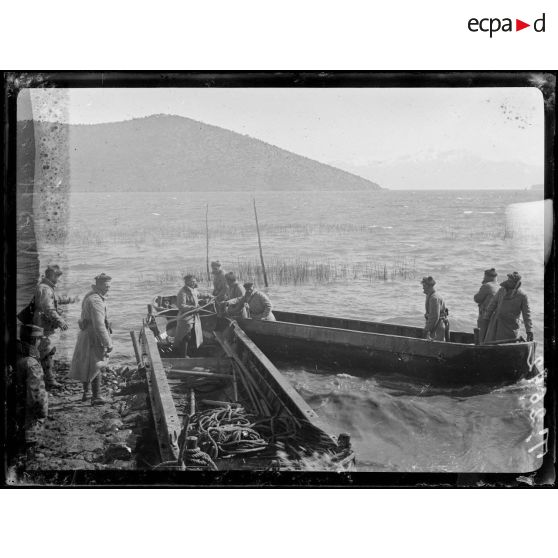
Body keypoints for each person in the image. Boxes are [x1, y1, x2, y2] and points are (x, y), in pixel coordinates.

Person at [69, 273, 113, 405]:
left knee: (86, 363)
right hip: (93, 336)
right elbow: (99, 325)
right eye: (105, 286)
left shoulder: (90, 296)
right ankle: (96, 396)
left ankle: (87, 393)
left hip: (86, 334)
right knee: (96, 364)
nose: (108, 288)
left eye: (109, 285)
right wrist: (108, 342)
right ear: (97, 285)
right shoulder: (96, 301)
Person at [32, 264, 75, 390]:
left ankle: (47, 379)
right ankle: (49, 381)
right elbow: (49, 308)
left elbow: (52, 301)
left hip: (42, 325)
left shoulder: (45, 287)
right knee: (47, 352)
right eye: (57, 276)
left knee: (45, 351)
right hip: (44, 326)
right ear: (52, 275)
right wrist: (60, 321)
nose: (58, 279)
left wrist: (69, 299)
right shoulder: (46, 289)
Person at [16, 324, 49, 455]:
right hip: (27, 418)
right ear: (35, 340)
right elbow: (37, 396)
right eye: (40, 338)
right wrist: (42, 412)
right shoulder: (31, 363)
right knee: (30, 445)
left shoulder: (17, 354)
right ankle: (30, 451)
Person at [483, 272, 534, 344]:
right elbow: (492, 304)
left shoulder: (522, 296)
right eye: (508, 280)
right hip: (496, 323)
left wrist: (529, 330)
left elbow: (527, 314)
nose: (508, 282)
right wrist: (486, 317)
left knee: (508, 344)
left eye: (511, 281)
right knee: (491, 343)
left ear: (516, 283)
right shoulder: (501, 291)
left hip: (511, 326)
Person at [174, 274, 200, 356]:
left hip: (193, 317)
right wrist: (193, 308)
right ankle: (183, 355)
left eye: (194, 281)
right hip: (185, 318)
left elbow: (198, 295)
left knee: (191, 336)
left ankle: (189, 353)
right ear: (187, 282)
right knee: (185, 336)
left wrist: (208, 296)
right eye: (191, 281)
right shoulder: (182, 292)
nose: (193, 283)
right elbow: (181, 306)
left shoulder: (193, 289)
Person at [473, 268, 500, 343]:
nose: (483, 278)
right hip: (495, 316)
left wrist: (483, 284)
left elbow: (477, 298)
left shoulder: (487, 286)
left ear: (487, 276)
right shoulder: (500, 287)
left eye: (484, 276)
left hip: (485, 315)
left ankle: (480, 347)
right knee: (491, 336)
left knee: (482, 335)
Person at [421, 276, 449, 341]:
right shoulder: (432, 296)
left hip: (437, 329)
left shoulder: (434, 298)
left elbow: (434, 317)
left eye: (424, 285)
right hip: (437, 327)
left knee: (437, 349)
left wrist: (426, 330)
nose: (423, 287)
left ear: (428, 286)